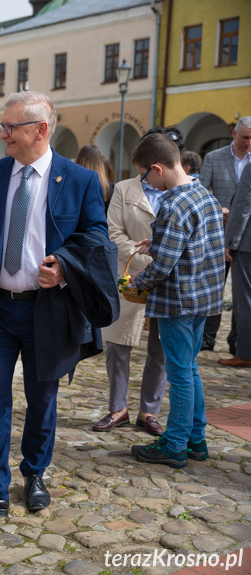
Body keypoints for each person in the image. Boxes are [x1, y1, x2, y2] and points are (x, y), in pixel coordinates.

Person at [0, 91, 111, 517]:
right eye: (2, 127)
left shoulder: (79, 180)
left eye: (10, 128)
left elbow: (97, 241)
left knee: (42, 399)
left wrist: (65, 270)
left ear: (40, 130)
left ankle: (35, 474)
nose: (3, 136)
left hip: (48, 311)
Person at [129, 132, 225, 468]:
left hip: (178, 302)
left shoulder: (172, 203)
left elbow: (163, 267)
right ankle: (196, 439)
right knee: (190, 370)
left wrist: (134, 282)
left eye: (145, 174)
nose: (146, 181)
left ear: (157, 168)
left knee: (180, 373)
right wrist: (156, 241)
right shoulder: (204, 195)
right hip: (205, 299)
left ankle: (175, 443)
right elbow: (194, 246)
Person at [93, 133, 170, 437]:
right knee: (117, 342)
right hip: (129, 275)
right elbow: (112, 233)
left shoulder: (177, 190)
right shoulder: (123, 189)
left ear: (156, 165)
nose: (141, 173)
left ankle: (149, 411)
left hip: (167, 280)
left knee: (160, 346)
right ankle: (117, 408)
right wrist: (143, 260)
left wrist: (162, 263)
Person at [198, 116, 250, 353]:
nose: (249, 143)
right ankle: (207, 339)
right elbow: (201, 191)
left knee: (243, 295)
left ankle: (237, 342)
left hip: (245, 236)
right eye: (245, 138)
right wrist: (217, 209)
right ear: (234, 135)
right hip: (218, 234)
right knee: (214, 287)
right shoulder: (214, 157)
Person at [220, 163, 251, 367]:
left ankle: (246, 353)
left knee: (245, 300)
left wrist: (229, 240)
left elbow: (242, 205)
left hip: (248, 244)